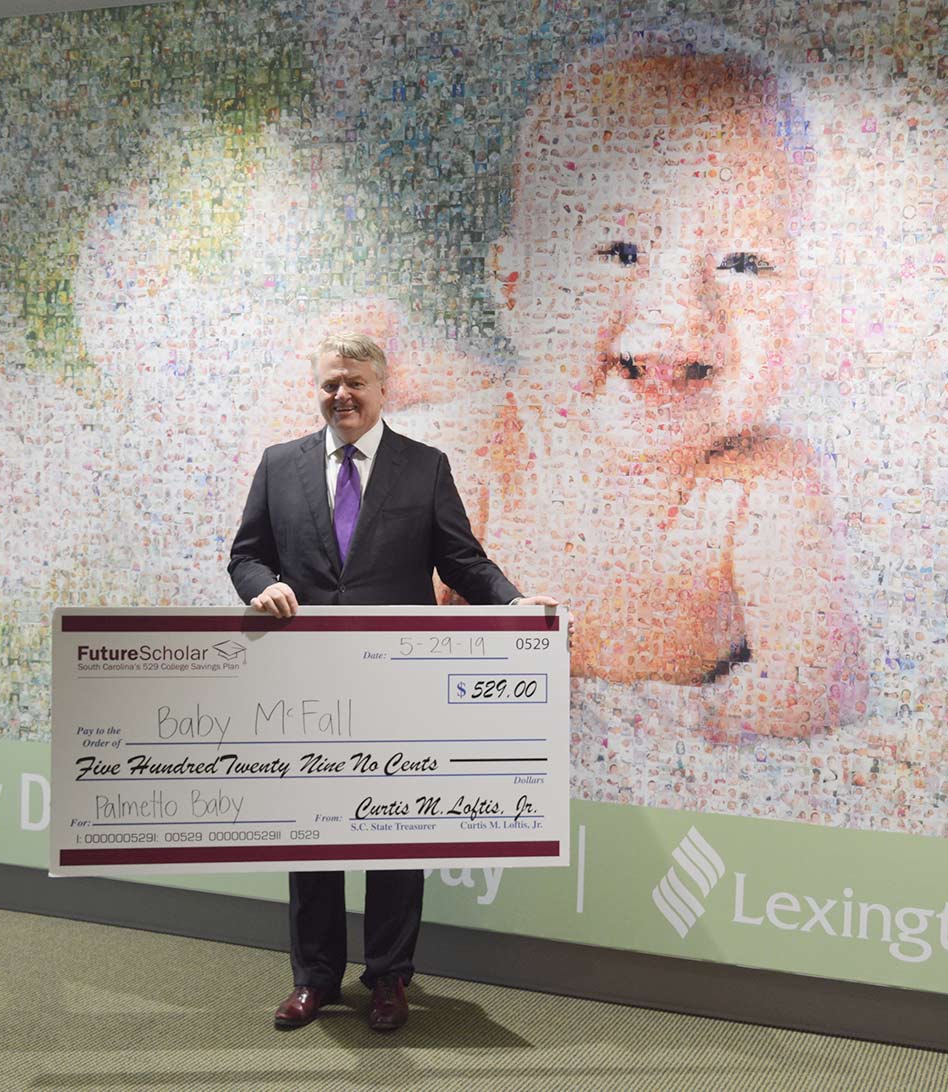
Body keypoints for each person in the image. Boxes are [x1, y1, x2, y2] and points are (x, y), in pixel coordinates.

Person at [418, 36, 864, 740]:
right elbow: (369, 649)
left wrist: (725, 726)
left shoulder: (766, 484)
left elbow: (819, 681)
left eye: (743, 263)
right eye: (622, 252)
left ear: (807, 304)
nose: (681, 309)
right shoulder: (464, 458)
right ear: (518, 291)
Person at [228, 332, 557, 1031]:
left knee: (396, 838)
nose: (340, 395)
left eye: (354, 383)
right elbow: (247, 555)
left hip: (397, 685)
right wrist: (264, 588)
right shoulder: (279, 465)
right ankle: (314, 978)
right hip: (308, 685)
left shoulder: (424, 467)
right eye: (329, 384)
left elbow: (462, 561)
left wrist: (511, 602)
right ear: (317, 390)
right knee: (311, 836)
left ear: (383, 389)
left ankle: (388, 979)